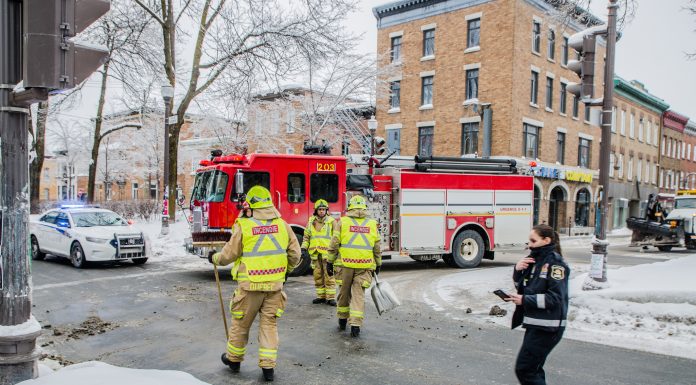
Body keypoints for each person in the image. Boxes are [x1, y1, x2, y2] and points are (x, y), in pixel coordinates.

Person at [209, 185, 301, 382]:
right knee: (269, 325)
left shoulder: (245, 226)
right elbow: (296, 254)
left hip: (250, 286)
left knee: (241, 324)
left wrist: (214, 258)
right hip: (275, 287)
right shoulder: (283, 225)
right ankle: (268, 368)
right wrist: (287, 271)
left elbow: (228, 255)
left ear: (251, 206)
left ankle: (234, 360)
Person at [505, 224, 569, 385]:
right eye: (529, 241)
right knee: (532, 369)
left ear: (546, 240)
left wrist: (524, 300)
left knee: (525, 369)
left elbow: (555, 298)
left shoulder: (556, 264)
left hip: (549, 327)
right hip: (536, 324)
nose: (530, 245)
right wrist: (517, 270)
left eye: (533, 241)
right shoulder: (536, 261)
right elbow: (524, 287)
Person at [327, 195, 381, 338]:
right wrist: (379, 263)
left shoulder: (342, 222)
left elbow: (334, 243)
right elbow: (377, 247)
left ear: (350, 207)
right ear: (364, 207)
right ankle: (355, 326)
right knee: (359, 295)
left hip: (345, 264)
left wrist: (329, 261)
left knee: (344, 292)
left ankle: (342, 319)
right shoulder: (372, 224)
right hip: (364, 265)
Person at [301, 199, 337, 306]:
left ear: (327, 210)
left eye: (323, 209)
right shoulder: (311, 222)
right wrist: (303, 248)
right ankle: (321, 296)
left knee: (329, 275)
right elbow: (306, 237)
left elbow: (336, 238)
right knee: (318, 276)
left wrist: (336, 252)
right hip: (315, 254)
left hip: (327, 255)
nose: (321, 211)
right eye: (319, 209)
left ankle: (331, 298)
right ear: (316, 211)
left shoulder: (332, 222)